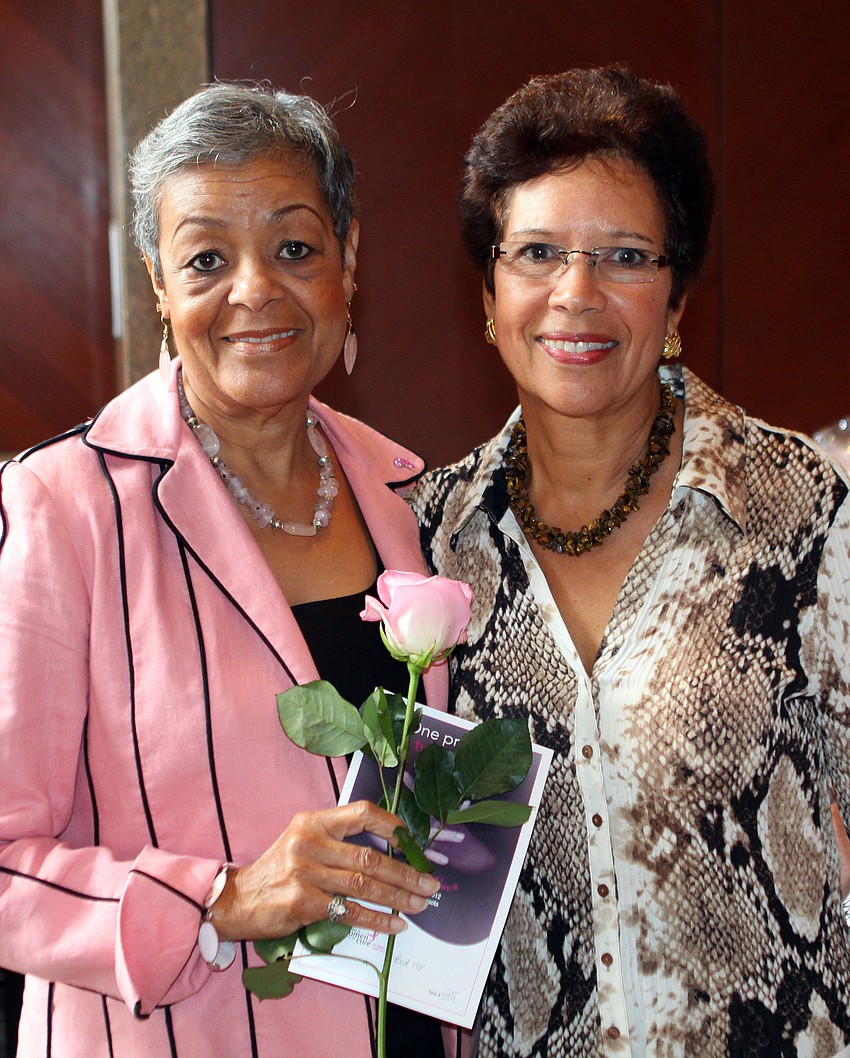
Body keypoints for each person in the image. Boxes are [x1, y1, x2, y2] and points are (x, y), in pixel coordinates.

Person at [410, 66, 850, 1057]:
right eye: (536, 253)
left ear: (677, 293)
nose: (576, 293)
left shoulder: (795, 509)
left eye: (622, 255)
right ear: (488, 295)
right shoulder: (428, 537)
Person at [0, 83, 447, 1058]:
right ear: (159, 284)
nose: (255, 290)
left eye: (295, 247)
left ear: (348, 260)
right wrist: (221, 895)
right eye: (207, 258)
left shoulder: (412, 495)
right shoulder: (65, 505)